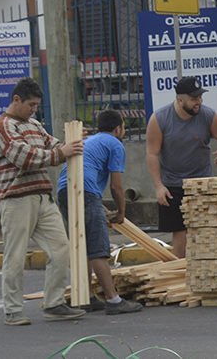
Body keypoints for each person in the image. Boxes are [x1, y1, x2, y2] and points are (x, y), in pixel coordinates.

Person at [0, 77, 86, 326]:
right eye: (31, 104)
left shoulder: (33, 124)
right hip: (16, 199)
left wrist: (71, 144)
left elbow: (53, 145)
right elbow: (24, 156)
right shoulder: (3, 126)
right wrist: (60, 153)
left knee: (61, 248)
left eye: (36, 105)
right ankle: (12, 310)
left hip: (43, 196)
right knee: (15, 256)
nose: (34, 109)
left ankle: (53, 303)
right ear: (16, 100)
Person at [57, 109, 143, 315]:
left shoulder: (90, 141)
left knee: (81, 246)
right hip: (84, 192)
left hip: (64, 190)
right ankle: (114, 300)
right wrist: (121, 212)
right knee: (98, 248)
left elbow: (88, 182)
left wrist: (102, 209)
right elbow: (116, 187)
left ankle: (84, 297)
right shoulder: (114, 144)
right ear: (118, 128)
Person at [146, 76, 217, 259]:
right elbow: (152, 153)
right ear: (180, 99)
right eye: (193, 99)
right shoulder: (159, 119)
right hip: (173, 184)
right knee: (180, 233)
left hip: (202, 183)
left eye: (200, 97)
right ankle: (180, 274)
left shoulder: (207, 115)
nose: (198, 102)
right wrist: (158, 186)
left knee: (206, 230)